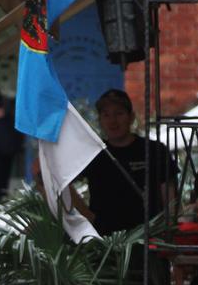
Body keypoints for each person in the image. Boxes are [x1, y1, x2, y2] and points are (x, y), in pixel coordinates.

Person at [76, 87, 177, 234]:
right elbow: (62, 183)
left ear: (131, 117)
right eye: (106, 115)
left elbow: (170, 197)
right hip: (105, 242)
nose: (113, 121)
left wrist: (169, 228)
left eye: (119, 113)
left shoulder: (154, 150)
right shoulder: (93, 154)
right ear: (100, 120)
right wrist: (88, 217)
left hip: (149, 239)